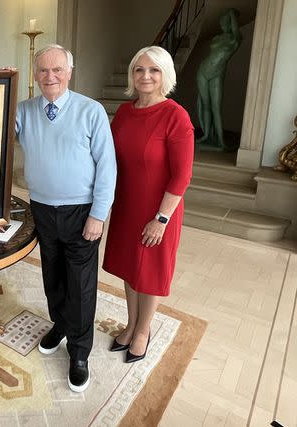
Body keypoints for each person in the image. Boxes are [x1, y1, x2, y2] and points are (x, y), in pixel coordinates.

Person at [15, 44, 116, 392]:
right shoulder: (24, 110)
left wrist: (98, 215)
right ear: (35, 74)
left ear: (70, 72)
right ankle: (59, 325)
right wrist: (1, 85)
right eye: (43, 70)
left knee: (81, 285)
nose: (50, 77)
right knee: (52, 275)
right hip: (42, 208)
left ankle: (79, 352)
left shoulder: (91, 111)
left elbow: (107, 167)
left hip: (81, 211)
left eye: (57, 70)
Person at [102, 46, 194, 363]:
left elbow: (182, 176)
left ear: (164, 75)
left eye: (154, 70)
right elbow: (108, 156)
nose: (145, 76)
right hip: (127, 204)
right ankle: (130, 324)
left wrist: (161, 219)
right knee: (130, 267)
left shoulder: (175, 116)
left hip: (159, 210)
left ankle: (144, 330)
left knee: (151, 271)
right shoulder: (126, 112)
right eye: (139, 69)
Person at [196, 8, 241, 149]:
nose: (222, 27)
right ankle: (206, 135)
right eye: (221, 24)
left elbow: (236, 33)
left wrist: (232, 14)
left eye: (225, 24)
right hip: (203, 72)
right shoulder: (216, 38)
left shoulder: (235, 40)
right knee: (206, 105)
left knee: (216, 108)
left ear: (231, 24)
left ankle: (221, 140)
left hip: (217, 74)